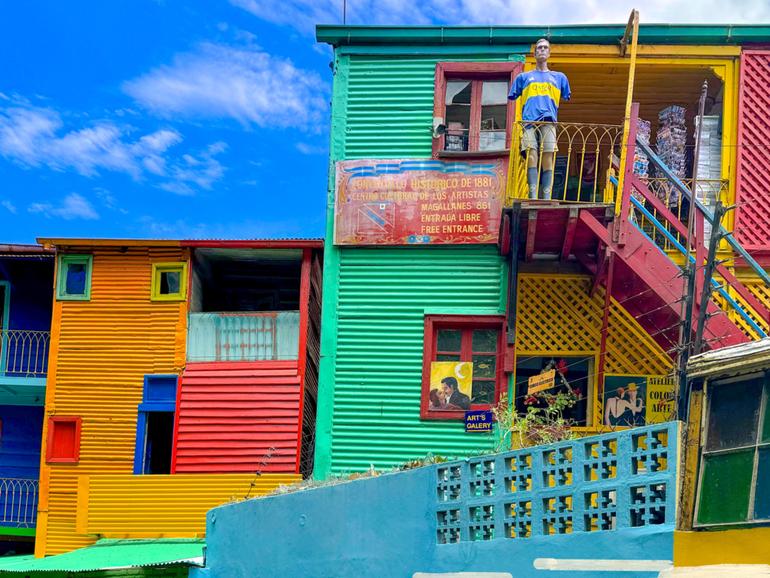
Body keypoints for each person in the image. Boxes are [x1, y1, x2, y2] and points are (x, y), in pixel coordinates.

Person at [508, 38, 571, 200]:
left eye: (545, 48)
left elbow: (566, 95)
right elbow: (513, 96)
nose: (542, 50)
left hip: (549, 121)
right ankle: (532, 195)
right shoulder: (523, 77)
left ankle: (546, 196)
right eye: (539, 48)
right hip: (529, 122)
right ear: (535, 53)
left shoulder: (559, 78)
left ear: (549, 53)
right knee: (531, 155)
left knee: (548, 156)